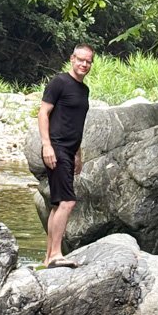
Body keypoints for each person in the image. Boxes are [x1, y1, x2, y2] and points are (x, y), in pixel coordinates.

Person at [38, 44, 94, 265]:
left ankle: (48, 258)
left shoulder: (84, 90)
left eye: (88, 61)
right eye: (80, 59)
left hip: (69, 151)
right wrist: (47, 146)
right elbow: (43, 113)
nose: (84, 64)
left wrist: (78, 153)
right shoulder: (59, 82)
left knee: (58, 204)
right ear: (72, 58)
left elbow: (76, 123)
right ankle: (55, 255)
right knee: (68, 202)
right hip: (56, 147)